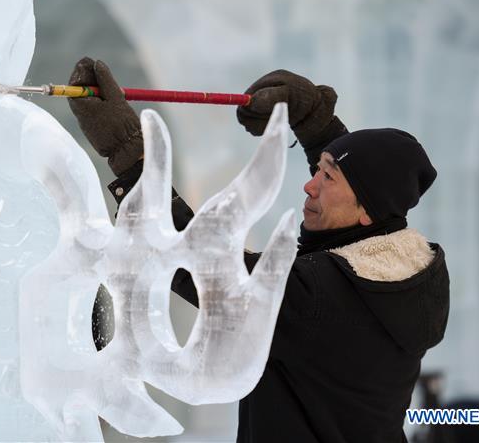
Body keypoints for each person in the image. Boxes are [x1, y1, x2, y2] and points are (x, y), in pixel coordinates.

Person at [67, 57, 451, 443]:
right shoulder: (411, 284)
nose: (310, 185)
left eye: (327, 177)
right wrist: (317, 125)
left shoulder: (317, 297)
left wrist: (130, 157)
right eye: (318, 168)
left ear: (366, 212)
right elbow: (365, 182)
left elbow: (198, 266)